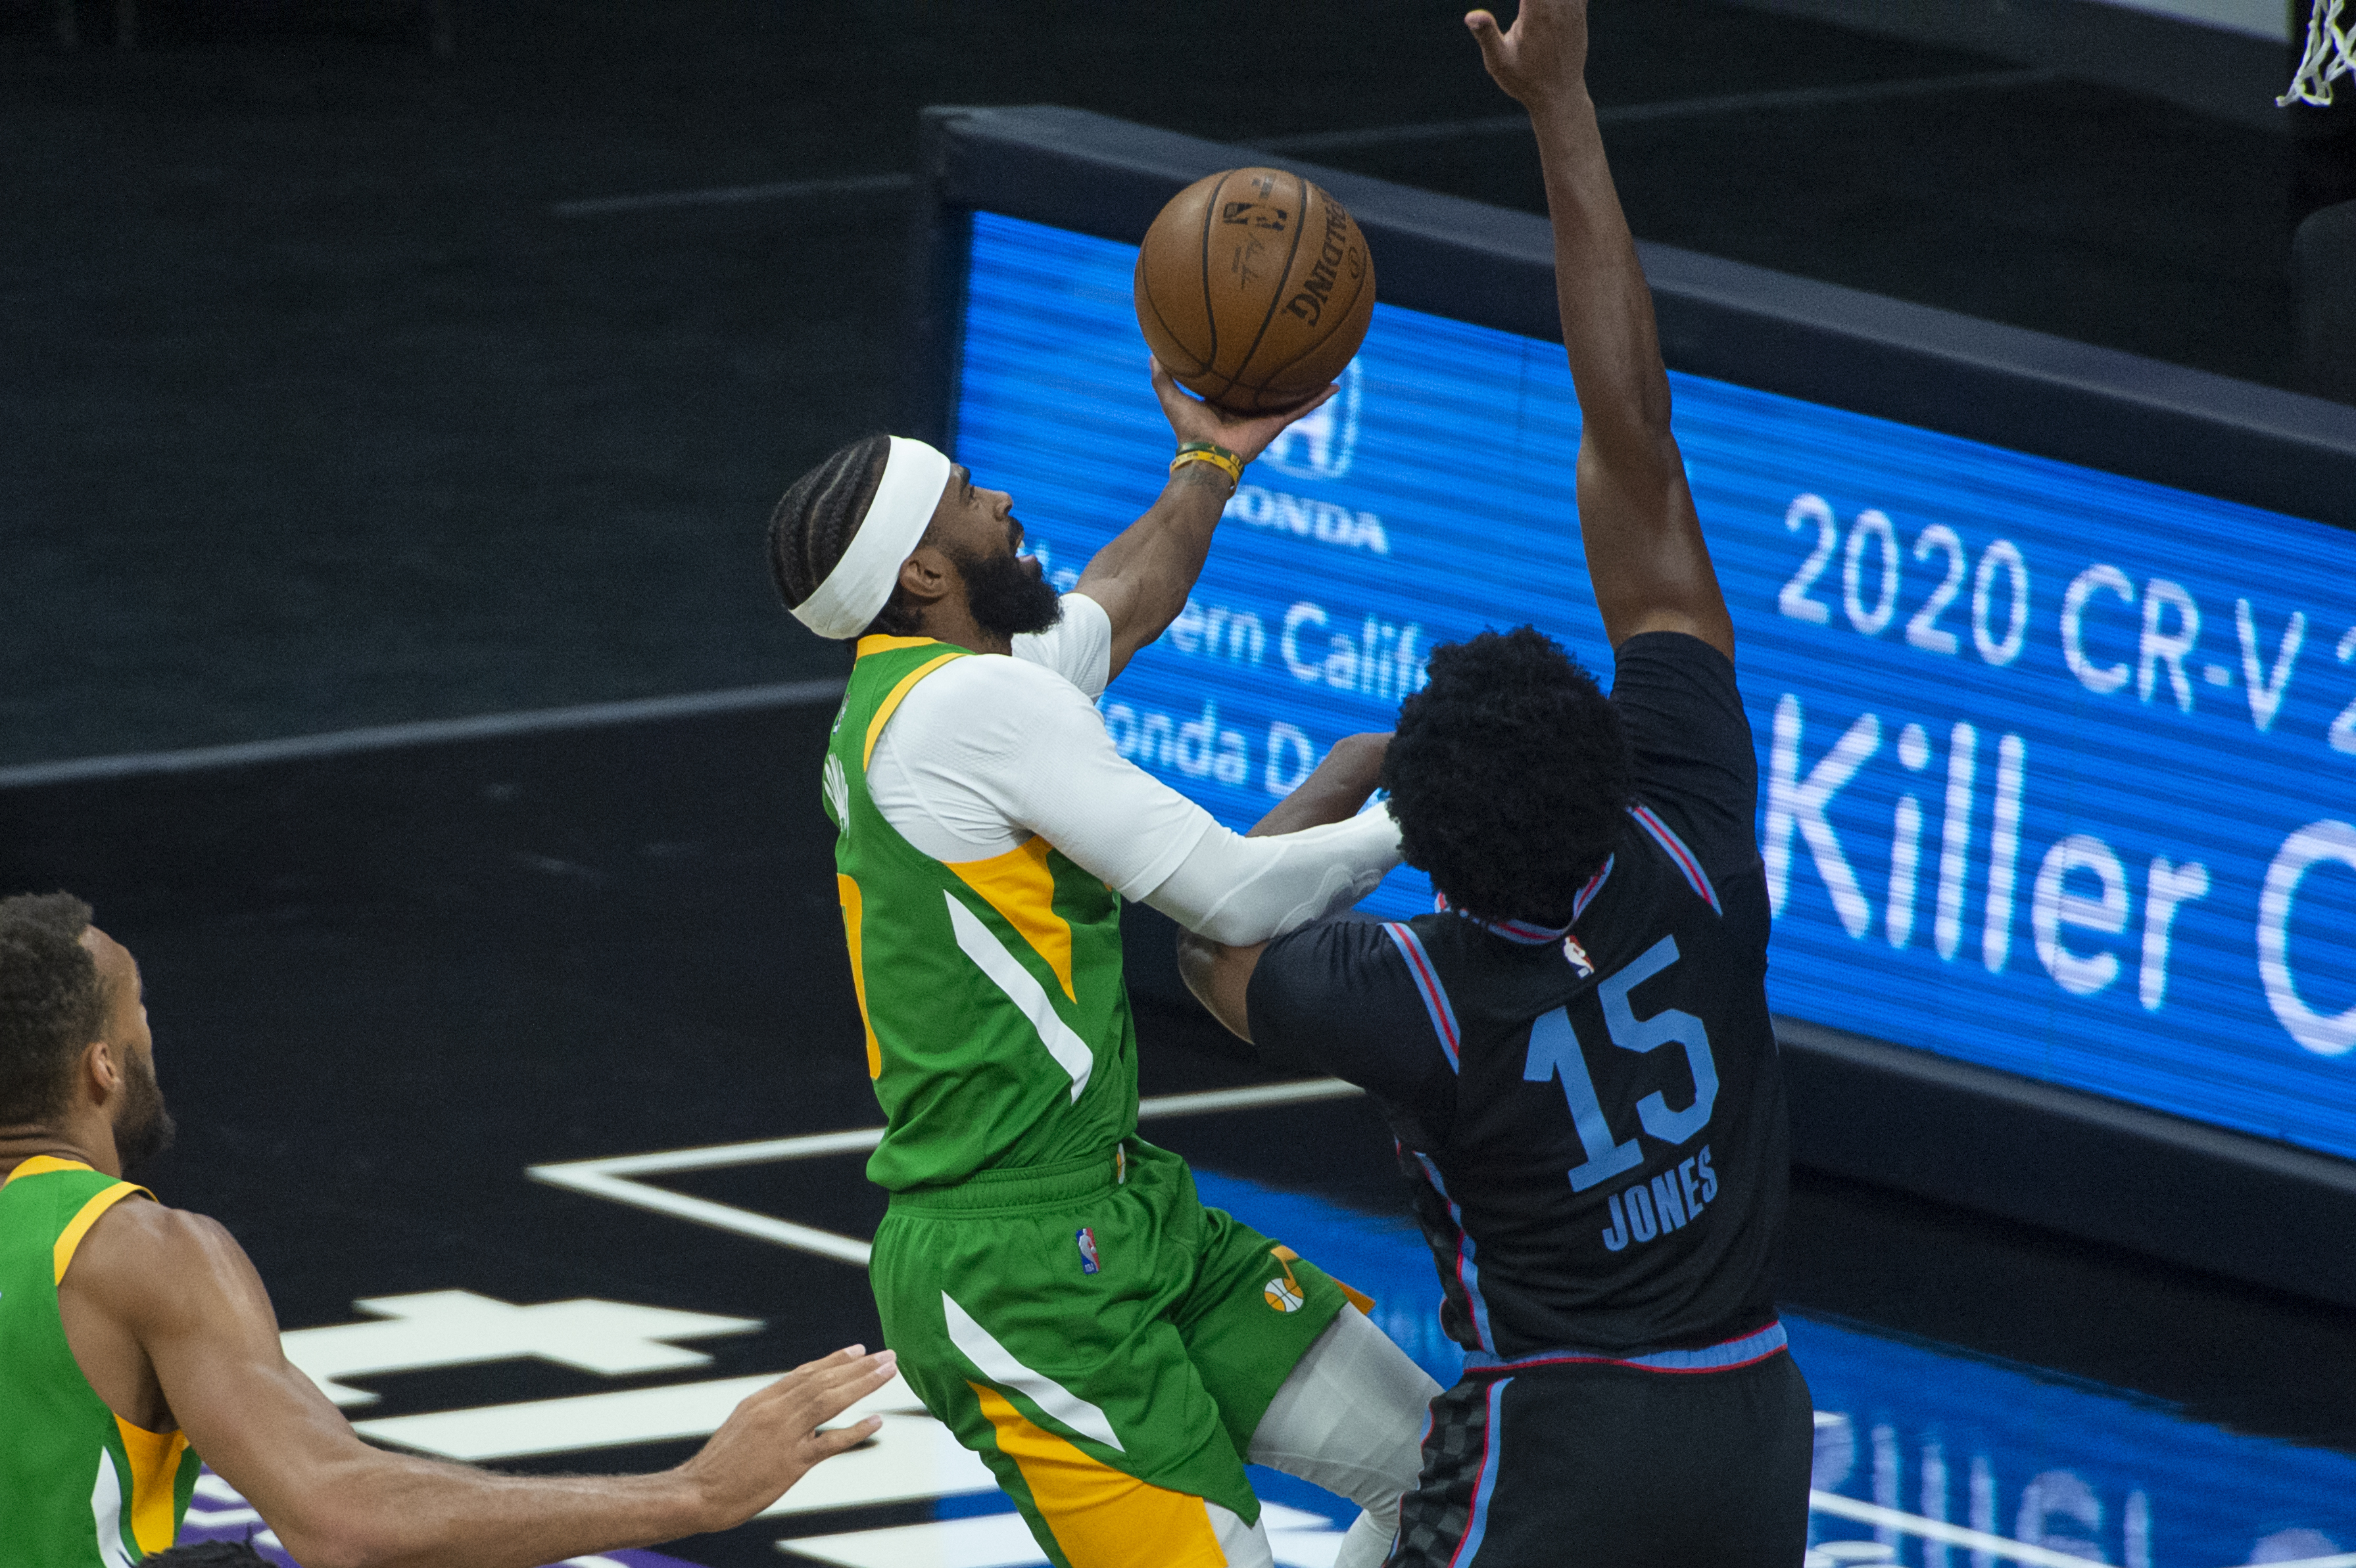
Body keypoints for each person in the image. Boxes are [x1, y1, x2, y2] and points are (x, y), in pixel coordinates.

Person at [1174, 3, 1815, 1563]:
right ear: (1599, 757)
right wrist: (1562, 106)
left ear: (1435, 849)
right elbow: (1632, 441)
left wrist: (1344, 776)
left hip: (1561, 1442)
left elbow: (1208, 943)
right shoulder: (1691, 831)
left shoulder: (1425, 995)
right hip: (1756, 1415)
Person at [765, 373, 1437, 1568]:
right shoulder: (968, 708)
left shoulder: (919, 697)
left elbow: (1121, 603)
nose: (1004, 498)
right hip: (1014, 1270)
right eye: (970, 497)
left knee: (1449, 1469)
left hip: (1119, 1209)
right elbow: (1231, 893)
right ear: (923, 573)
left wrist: (1211, 465)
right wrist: (1433, 814)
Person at [0, 891, 897, 1568]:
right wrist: (693, 1491)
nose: (153, 1038)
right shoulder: (142, 1253)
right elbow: (339, 1515)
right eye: (141, 1016)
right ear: (103, 1068)